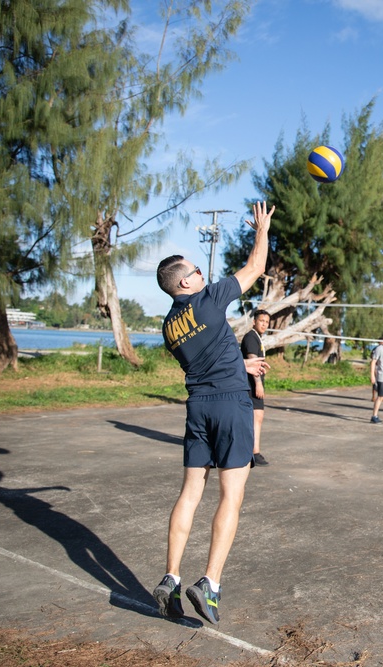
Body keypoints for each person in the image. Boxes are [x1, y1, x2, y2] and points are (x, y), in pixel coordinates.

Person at [151, 201, 274, 625]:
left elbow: (204, 360)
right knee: (231, 495)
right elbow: (256, 267)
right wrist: (262, 229)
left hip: (198, 406)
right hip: (231, 405)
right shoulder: (207, 298)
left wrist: (240, 365)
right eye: (197, 272)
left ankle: (170, 578)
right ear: (186, 281)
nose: (204, 275)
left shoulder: (170, 326)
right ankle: (211, 584)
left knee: (189, 493)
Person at [240, 309, 271, 466]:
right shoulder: (251, 337)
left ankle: (253, 450)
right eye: (261, 321)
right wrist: (258, 384)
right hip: (250, 385)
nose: (264, 324)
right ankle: (254, 452)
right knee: (256, 417)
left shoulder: (256, 338)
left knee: (256, 417)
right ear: (254, 322)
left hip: (252, 384)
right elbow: (253, 361)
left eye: (266, 322)